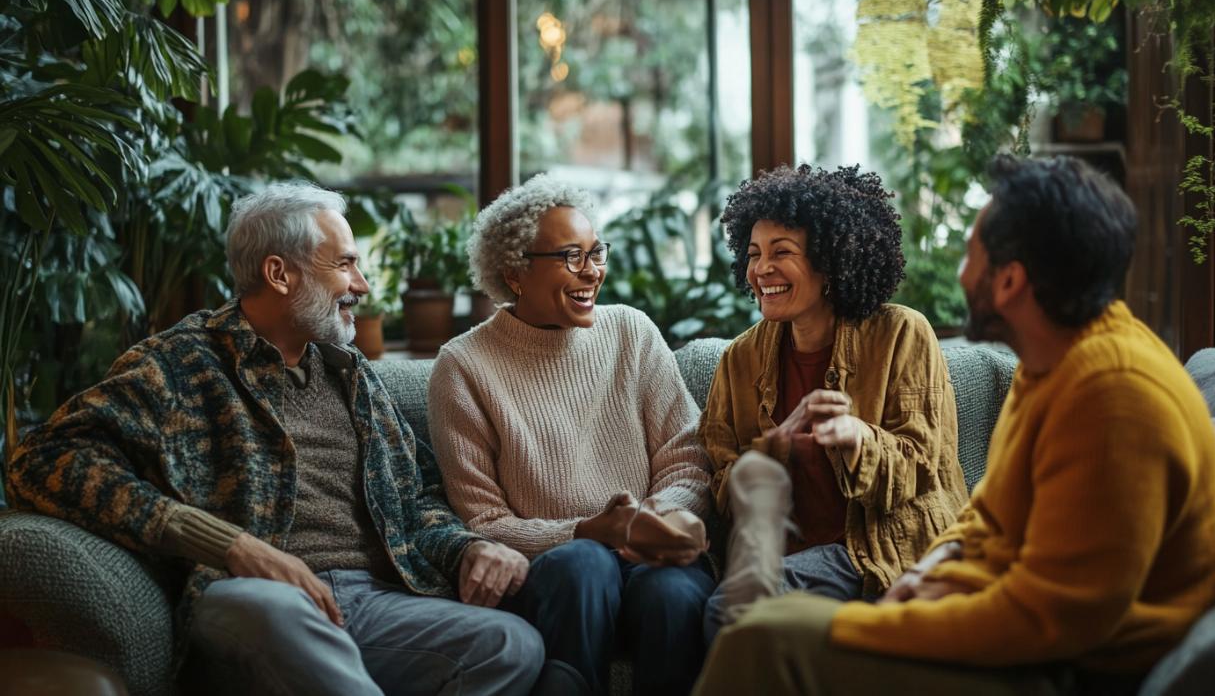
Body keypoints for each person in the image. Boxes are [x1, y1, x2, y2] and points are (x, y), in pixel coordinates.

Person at [693, 155, 1215, 695]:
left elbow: (1052, 621)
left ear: (1010, 279)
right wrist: (940, 567)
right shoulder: (1051, 368)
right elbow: (992, 517)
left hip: (1070, 671)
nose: (959, 272)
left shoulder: (1115, 394)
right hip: (998, 624)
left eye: (971, 251)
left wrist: (888, 622)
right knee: (759, 627)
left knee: (762, 633)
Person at [5, 183, 544, 696]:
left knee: (509, 645)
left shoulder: (352, 375)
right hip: (250, 599)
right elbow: (40, 459)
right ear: (279, 273)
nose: (362, 285)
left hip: (374, 597)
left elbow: (418, 494)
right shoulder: (180, 365)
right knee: (274, 611)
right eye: (345, 264)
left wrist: (467, 547)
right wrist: (232, 545)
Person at [428, 174, 715, 696]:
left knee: (672, 591)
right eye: (571, 257)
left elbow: (688, 458)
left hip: (646, 554)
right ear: (515, 273)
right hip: (555, 574)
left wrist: (645, 523)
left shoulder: (631, 331)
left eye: (595, 253)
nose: (593, 272)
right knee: (584, 566)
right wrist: (590, 532)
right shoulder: (463, 367)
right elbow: (482, 522)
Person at [699, 164, 967, 642]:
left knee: (732, 611)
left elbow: (925, 464)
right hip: (787, 556)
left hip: (877, 551)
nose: (761, 270)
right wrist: (772, 451)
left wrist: (855, 437)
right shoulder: (738, 361)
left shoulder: (902, 334)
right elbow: (721, 481)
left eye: (782, 253)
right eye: (754, 253)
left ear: (829, 262)